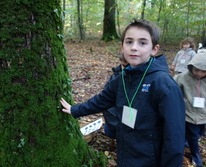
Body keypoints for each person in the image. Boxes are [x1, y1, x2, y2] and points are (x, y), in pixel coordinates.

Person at [60, 19, 185, 167]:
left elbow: (174, 136)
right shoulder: (123, 78)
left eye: (142, 43)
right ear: (122, 47)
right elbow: (102, 100)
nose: (134, 48)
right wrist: (75, 109)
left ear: (154, 49)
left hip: (150, 160)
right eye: (129, 42)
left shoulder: (163, 84)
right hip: (126, 153)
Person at [175, 52, 206, 167]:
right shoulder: (183, 77)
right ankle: (195, 154)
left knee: (199, 132)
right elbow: (173, 87)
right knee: (193, 134)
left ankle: (187, 141)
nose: (199, 74)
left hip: (203, 113)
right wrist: (180, 99)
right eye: (197, 70)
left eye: (203, 71)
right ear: (191, 66)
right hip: (189, 112)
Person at [103, 54, 128, 139]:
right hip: (115, 119)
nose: (125, 68)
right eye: (123, 65)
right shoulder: (115, 77)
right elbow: (105, 99)